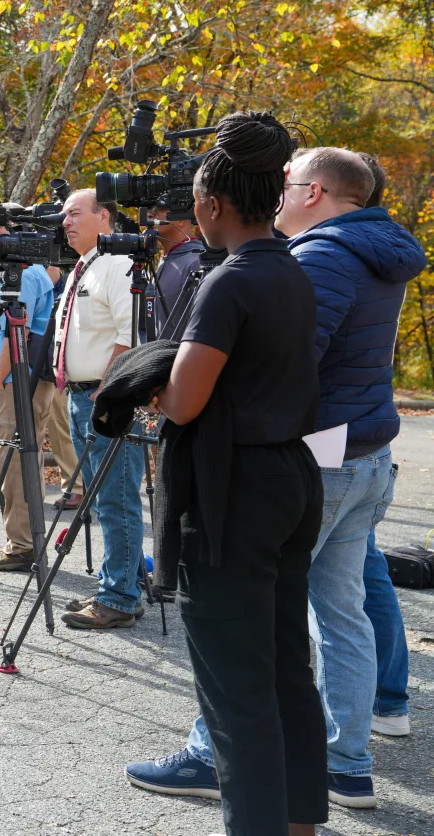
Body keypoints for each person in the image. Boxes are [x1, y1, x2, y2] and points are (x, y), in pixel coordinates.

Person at [127, 145, 426, 810]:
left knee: (256, 634)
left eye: (289, 184)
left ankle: (216, 754)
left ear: (316, 192)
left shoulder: (316, 258)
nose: (279, 196)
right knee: (336, 614)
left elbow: (281, 369)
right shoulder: (379, 251)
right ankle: (348, 762)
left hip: (316, 455)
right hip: (364, 449)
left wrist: (179, 381)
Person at [130, 112, 326, 835]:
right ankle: (300, 822)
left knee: (235, 690)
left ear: (211, 205)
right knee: (284, 672)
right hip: (291, 479)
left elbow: (184, 400)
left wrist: (150, 385)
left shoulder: (229, 282)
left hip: (232, 491)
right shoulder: (293, 270)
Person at [52, 189, 145, 629]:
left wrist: (108, 392)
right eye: (63, 214)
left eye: (74, 213)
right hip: (78, 396)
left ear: (103, 216)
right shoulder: (82, 267)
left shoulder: (118, 263)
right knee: (102, 499)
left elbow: (131, 335)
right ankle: (121, 586)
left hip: (104, 400)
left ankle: (119, 599)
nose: (65, 220)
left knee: (116, 500)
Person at [357, 151, 411, 737]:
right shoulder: (382, 250)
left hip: (334, 437)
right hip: (370, 427)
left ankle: (383, 700)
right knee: (363, 568)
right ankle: (388, 698)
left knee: (350, 574)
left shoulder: (337, 255)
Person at [0, 257, 55, 570]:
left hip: (14, 380)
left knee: (14, 462)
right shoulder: (7, 275)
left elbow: (17, 332)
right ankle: (25, 542)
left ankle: (22, 546)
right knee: (21, 458)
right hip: (15, 378)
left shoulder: (25, 275)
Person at [35, 265, 84, 510]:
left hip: (63, 362)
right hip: (46, 360)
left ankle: (76, 486)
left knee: (61, 423)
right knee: (59, 423)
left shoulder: (58, 276)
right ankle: (74, 485)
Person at [147, 204, 205, 336]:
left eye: (158, 209)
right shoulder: (167, 259)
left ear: (181, 220)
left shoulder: (197, 260)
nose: (149, 214)